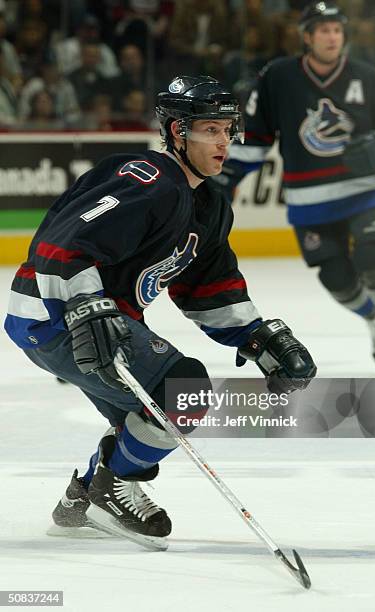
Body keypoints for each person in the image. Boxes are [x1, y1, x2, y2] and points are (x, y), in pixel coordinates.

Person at [4, 76, 316, 549]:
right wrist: (86, 306)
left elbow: (210, 287)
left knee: (146, 416)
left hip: (82, 321)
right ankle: (110, 488)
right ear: (176, 132)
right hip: (54, 313)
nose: (223, 142)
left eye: (228, 130)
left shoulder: (208, 204)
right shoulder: (146, 178)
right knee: (183, 388)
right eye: (210, 129)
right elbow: (61, 245)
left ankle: (84, 496)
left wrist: (258, 338)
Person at [214, 1, 375, 369]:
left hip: (366, 191)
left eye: (337, 30)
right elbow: (257, 138)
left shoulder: (369, 77)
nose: (331, 36)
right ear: (307, 37)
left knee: (373, 261)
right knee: (336, 277)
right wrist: (227, 178)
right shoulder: (277, 77)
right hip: (310, 202)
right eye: (323, 30)